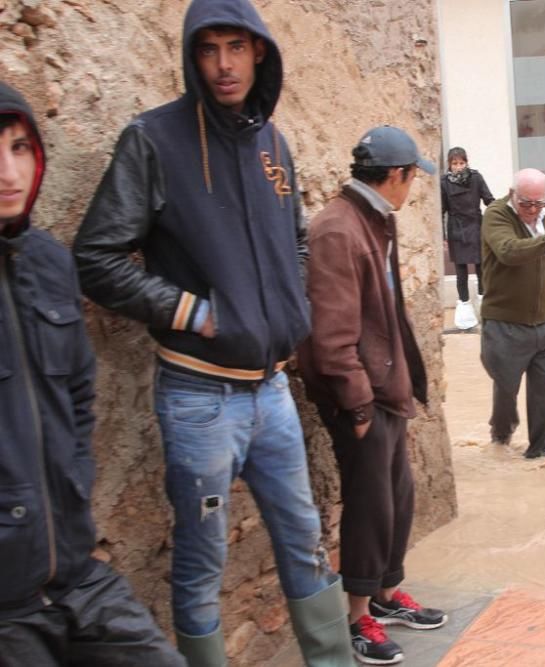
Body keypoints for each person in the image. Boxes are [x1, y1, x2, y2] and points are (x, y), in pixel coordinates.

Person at [71, 1, 352, 665]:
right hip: (199, 396)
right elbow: (96, 256)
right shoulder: (153, 139)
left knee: (306, 540)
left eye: (237, 47)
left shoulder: (273, 143)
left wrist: (291, 308)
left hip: (273, 390)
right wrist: (193, 312)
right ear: (192, 57)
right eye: (208, 49)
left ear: (260, 52)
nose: (224, 65)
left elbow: (293, 239)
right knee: (202, 560)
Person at [0, 81, 184, 666]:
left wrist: (75, 479)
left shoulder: (51, 263)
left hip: (74, 572)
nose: (8, 171)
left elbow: (79, 398)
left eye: (20, 148)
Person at [297, 126, 446, 666]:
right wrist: (358, 406)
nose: (413, 187)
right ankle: (358, 618)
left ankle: (384, 596)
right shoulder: (338, 229)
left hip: (386, 391)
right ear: (396, 176)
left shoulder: (373, 218)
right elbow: (331, 335)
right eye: (412, 178)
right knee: (368, 506)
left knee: (396, 500)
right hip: (363, 398)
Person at [479, 168, 545, 459]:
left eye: (539, 203)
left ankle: (539, 452)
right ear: (512, 194)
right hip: (504, 323)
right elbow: (509, 251)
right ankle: (501, 437)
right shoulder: (496, 215)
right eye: (526, 203)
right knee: (506, 388)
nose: (533, 210)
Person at [441, 146, 494, 330]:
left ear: (466, 162)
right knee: (461, 272)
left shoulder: (476, 178)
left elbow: (489, 200)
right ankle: (464, 310)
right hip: (456, 228)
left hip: (476, 226)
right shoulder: (444, 183)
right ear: (449, 164)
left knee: (481, 269)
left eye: (461, 163)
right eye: (454, 163)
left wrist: (502, 215)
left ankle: (484, 308)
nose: (458, 167)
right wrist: (443, 236)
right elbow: (441, 210)